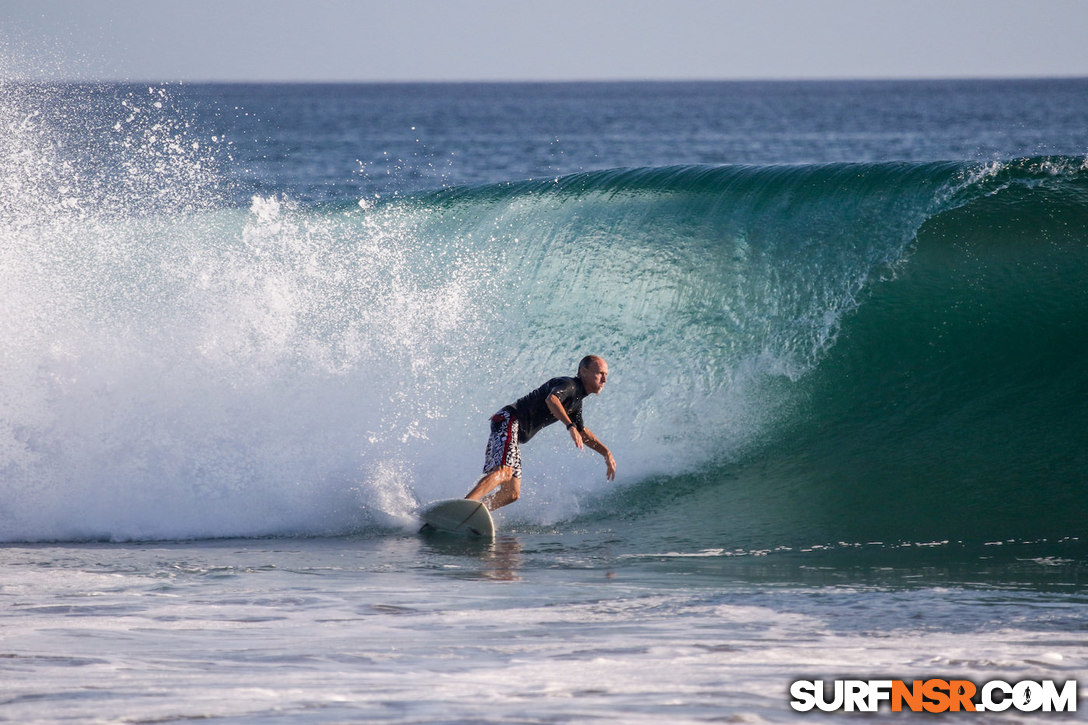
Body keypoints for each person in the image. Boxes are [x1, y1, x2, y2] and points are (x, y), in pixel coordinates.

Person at [465, 355, 617, 511]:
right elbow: (552, 400)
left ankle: (473, 513)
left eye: (606, 374)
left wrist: (605, 452)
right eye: (600, 373)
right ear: (583, 371)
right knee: (504, 472)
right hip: (509, 420)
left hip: (513, 432)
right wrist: (570, 426)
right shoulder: (569, 385)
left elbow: (582, 432)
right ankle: (465, 507)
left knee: (511, 493)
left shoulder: (576, 402)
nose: (604, 379)